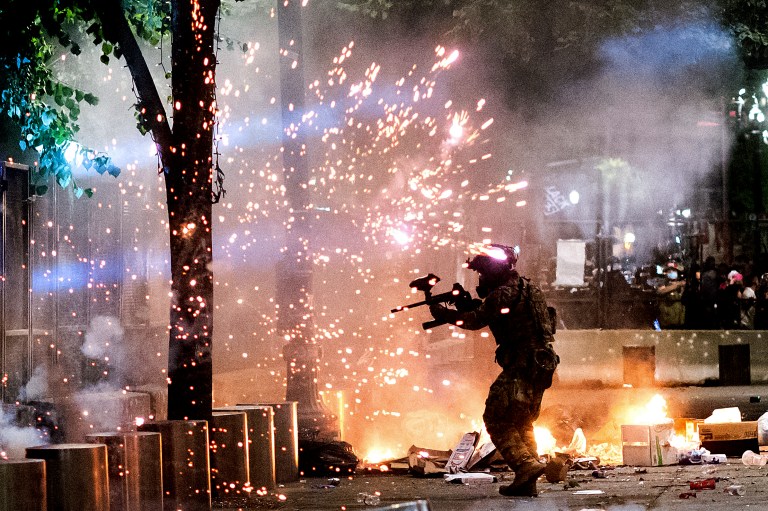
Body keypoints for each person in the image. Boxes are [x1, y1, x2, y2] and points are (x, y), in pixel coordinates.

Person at [429, 243, 559, 497]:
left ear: (495, 271)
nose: (482, 279)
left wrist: (444, 314)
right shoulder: (528, 288)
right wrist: (466, 305)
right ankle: (528, 479)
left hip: (521, 363)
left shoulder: (502, 294)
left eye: (483, 273)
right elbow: (498, 315)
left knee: (496, 418)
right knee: (521, 421)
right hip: (541, 363)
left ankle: (525, 464)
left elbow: (476, 320)